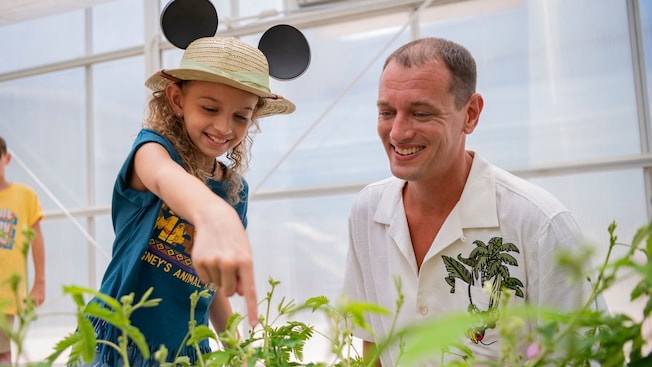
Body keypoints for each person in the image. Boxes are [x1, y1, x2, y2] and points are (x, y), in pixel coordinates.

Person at [342, 37, 599, 366]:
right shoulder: (368, 213)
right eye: (387, 112)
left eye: (420, 113)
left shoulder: (540, 224)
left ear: (471, 114)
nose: (397, 133)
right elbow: (373, 345)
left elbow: (580, 354)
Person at [79, 36, 296, 366]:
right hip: (121, 344)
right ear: (177, 99)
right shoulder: (151, 151)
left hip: (188, 354)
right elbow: (166, 178)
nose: (224, 127)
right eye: (210, 108)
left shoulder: (235, 190)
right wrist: (212, 213)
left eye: (241, 116)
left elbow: (211, 289)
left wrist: (235, 351)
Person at [0, 136, 46, 365]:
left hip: (6, 292)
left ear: (6, 159)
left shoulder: (25, 196)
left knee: (3, 352)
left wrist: (39, 282)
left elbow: (36, 238)